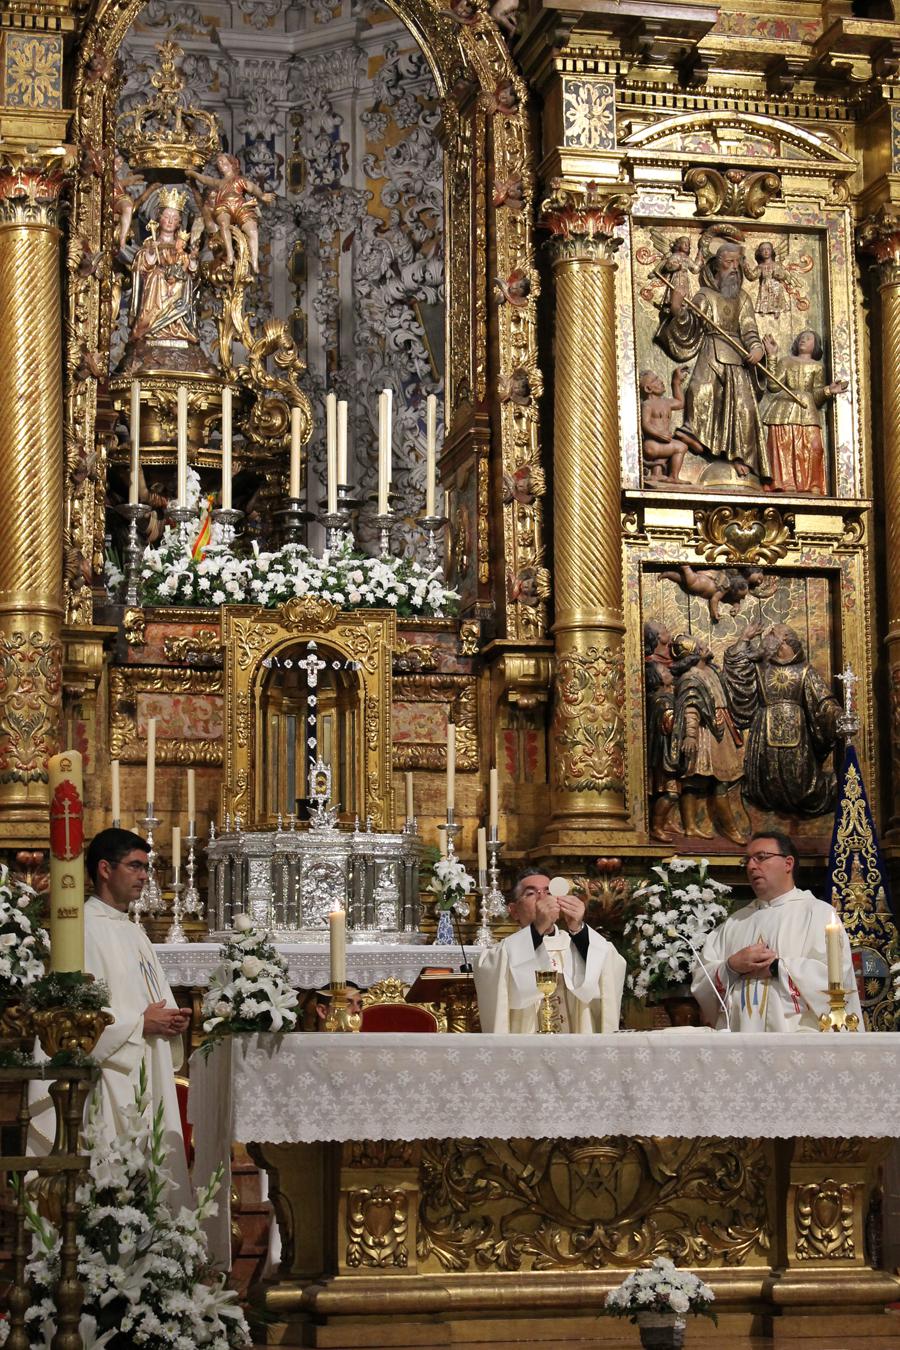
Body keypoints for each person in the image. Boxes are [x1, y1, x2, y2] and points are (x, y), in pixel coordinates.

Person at [29, 829, 192, 1204]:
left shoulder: (133, 932)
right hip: (108, 1077)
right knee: (112, 1189)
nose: (144, 876)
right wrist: (141, 1024)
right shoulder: (81, 929)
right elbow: (73, 1016)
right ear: (105, 869)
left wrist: (172, 1022)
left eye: (146, 868)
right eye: (135, 866)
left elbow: (149, 997)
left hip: (145, 1067)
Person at [691, 831, 863, 1032]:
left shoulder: (817, 913)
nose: (751, 866)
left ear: (788, 863)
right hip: (739, 1038)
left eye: (761, 857)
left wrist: (776, 968)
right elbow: (701, 980)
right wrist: (731, 967)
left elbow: (836, 977)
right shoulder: (734, 922)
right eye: (747, 860)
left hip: (799, 1038)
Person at [654, 240, 769, 479]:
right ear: (717, 266)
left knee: (744, 408)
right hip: (711, 351)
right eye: (730, 263)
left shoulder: (743, 298)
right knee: (699, 391)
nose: (735, 268)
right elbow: (690, 323)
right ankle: (695, 436)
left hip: (738, 358)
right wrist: (676, 307)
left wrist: (757, 349)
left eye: (738, 263)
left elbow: (750, 330)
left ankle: (739, 455)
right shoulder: (705, 295)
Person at [473, 872, 625, 1033]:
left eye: (548, 892)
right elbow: (487, 970)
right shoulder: (503, 952)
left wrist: (578, 928)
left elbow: (610, 963)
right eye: (531, 893)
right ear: (514, 910)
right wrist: (538, 928)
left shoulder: (580, 942)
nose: (543, 898)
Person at [722, 622, 841, 816]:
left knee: (798, 780)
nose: (767, 634)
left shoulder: (804, 670)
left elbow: (823, 702)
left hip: (797, 734)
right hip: (764, 731)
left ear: (785, 639)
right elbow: (737, 669)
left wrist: (837, 716)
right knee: (768, 778)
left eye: (773, 632)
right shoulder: (760, 668)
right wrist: (744, 639)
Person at [670, 633, 747, 844]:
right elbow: (690, 707)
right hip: (705, 732)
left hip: (720, 728)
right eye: (701, 646)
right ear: (695, 653)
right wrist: (691, 735)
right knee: (700, 780)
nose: (705, 646)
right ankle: (705, 827)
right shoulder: (691, 677)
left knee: (716, 780)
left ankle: (709, 826)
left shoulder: (711, 671)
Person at [760, 330, 847, 495]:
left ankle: (812, 484)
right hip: (784, 409)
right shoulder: (786, 361)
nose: (803, 340)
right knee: (784, 445)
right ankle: (785, 482)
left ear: (816, 346)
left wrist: (828, 390)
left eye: (808, 338)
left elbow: (816, 396)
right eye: (801, 338)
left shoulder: (818, 366)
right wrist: (772, 356)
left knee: (814, 447)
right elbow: (773, 385)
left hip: (807, 410)